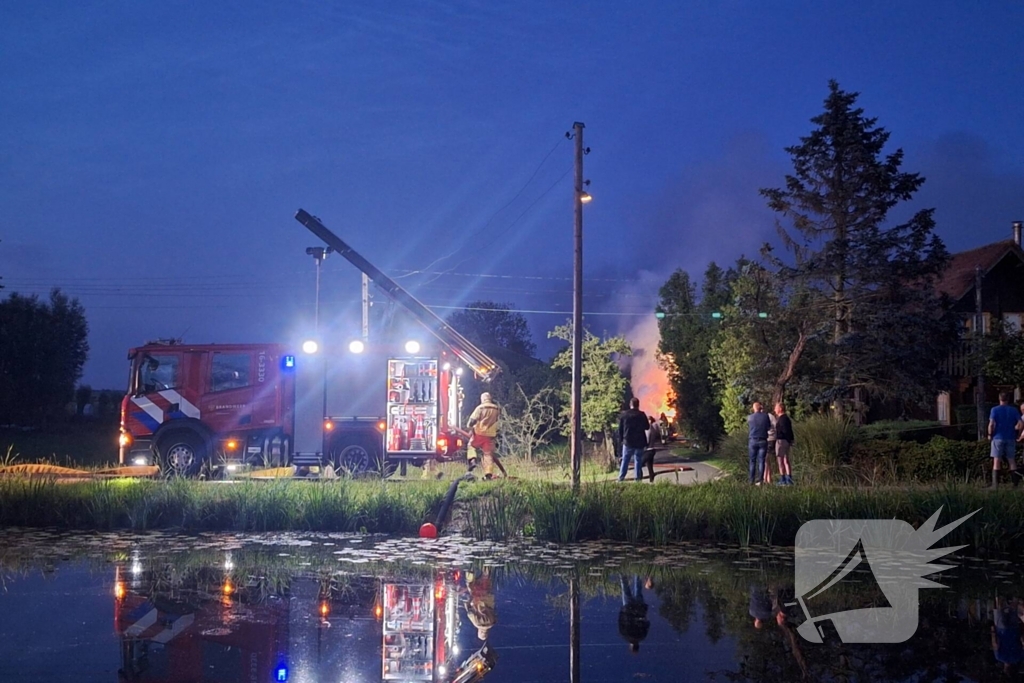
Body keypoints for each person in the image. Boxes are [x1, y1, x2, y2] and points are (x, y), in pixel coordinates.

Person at [988, 392, 1024, 489]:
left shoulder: (994, 410)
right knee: (1011, 460)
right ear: (1008, 399)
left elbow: (991, 424)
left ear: (999, 398)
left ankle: (995, 485)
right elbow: (1021, 423)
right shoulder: (1013, 410)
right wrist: (1019, 434)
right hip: (1010, 437)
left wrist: (990, 434)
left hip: (998, 437)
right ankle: (1015, 483)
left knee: (996, 460)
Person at [467, 392, 501, 480]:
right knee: (488, 454)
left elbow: (472, 420)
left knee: (471, 445)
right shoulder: (496, 408)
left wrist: (469, 427)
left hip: (479, 433)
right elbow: (497, 421)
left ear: (482, 399)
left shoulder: (480, 408)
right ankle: (488, 474)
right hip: (490, 435)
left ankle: (472, 460)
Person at [617, 398, 650, 482]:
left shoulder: (624, 415)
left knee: (625, 460)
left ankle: (621, 478)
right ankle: (637, 479)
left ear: (630, 404)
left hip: (628, 441)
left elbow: (620, 429)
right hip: (639, 441)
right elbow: (647, 427)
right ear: (638, 405)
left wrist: (621, 440)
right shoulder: (642, 415)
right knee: (638, 460)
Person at [991, 595, 1024, 673]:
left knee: (1013, 610)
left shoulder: (1018, 657)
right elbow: (995, 644)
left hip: (1014, 630)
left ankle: (1015, 595)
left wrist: (1021, 636)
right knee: (999, 610)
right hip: (1001, 630)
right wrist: (993, 632)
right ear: (1004, 668)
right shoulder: (999, 657)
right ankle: (999, 594)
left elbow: (1023, 644)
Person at [618, 575, 651, 653]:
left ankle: (637, 571)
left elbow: (647, 624)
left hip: (640, 609)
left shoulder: (642, 636)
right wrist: (622, 611)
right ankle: (621, 571)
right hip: (627, 609)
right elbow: (620, 622)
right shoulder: (625, 635)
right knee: (625, 587)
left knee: (638, 589)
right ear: (630, 646)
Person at [466, 568, 497, 642]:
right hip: (477, 599)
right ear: (479, 632)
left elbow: (494, 612)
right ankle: (470, 567)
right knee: (470, 584)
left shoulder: (493, 622)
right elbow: (470, 613)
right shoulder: (476, 623)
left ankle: (486, 563)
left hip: (488, 597)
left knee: (485, 578)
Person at [748, 402, 771, 485]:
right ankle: (760, 480)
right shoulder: (765, 416)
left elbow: (750, 427)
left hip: (753, 439)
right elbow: (769, 427)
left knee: (752, 461)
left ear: (754, 408)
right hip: (763, 439)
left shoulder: (750, 417)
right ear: (760, 407)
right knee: (761, 461)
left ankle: (751, 480)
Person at [774, 402, 795, 486]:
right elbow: (790, 431)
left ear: (780, 409)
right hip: (787, 441)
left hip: (781, 441)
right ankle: (789, 478)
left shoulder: (781, 419)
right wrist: (791, 440)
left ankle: (783, 478)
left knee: (780, 460)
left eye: (776, 408)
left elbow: (784, 431)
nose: (774, 409)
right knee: (786, 459)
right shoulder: (787, 418)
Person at [643, 416, 659, 482]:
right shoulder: (654, 428)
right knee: (649, 465)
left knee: (639, 464)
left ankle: (638, 479)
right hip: (652, 449)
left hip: (648, 450)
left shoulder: (648, 429)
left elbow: (647, 439)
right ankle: (651, 478)